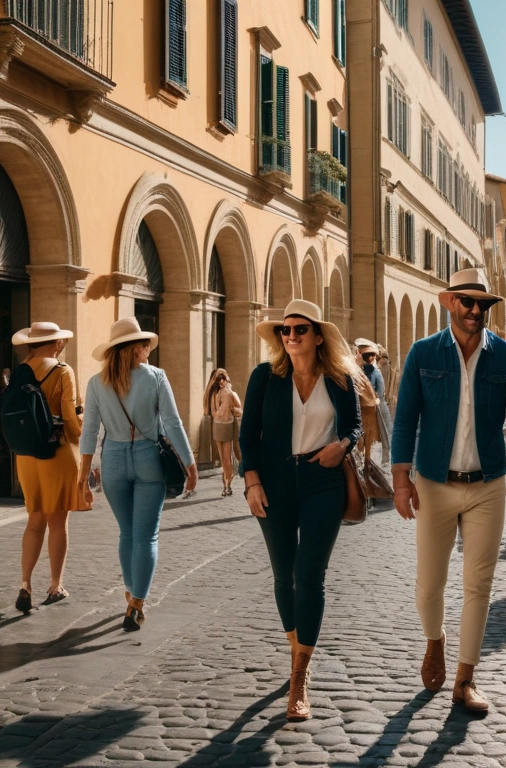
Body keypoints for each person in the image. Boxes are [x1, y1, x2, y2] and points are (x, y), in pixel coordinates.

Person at [392, 268, 506, 713]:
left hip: (488, 485)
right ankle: (434, 641)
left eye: (484, 304)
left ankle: (465, 679)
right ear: (448, 301)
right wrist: (400, 480)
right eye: (467, 302)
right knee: (429, 584)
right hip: (433, 482)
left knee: (480, 584)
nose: (476, 311)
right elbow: (404, 421)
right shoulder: (422, 353)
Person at [240, 300, 361, 721]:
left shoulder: (340, 378)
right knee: (283, 575)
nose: (290, 336)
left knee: (309, 576)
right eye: (284, 331)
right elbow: (248, 435)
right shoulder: (265, 377)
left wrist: (342, 445)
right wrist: (251, 481)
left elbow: (354, 427)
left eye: (299, 330)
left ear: (317, 336)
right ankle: (298, 649)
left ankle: (298, 676)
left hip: (322, 481)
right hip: (272, 483)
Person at [79, 318, 197, 631]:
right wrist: (189, 463)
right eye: (144, 345)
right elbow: (173, 423)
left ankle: (131, 593)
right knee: (146, 535)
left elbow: (89, 432)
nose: (148, 350)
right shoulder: (156, 377)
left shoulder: (96, 383)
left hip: (114, 460)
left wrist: (82, 476)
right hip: (148, 458)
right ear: (133, 350)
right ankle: (136, 603)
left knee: (127, 534)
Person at [11, 322, 82, 613]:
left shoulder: (21, 371)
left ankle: (25, 584)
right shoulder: (62, 370)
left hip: (26, 456)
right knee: (58, 521)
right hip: (58, 451)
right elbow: (69, 414)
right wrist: (80, 440)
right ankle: (55, 585)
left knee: (34, 519)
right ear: (57, 343)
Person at [204, 369, 242, 497]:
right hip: (217, 426)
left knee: (227, 458)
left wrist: (230, 409)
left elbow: (239, 409)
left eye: (223, 379)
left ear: (227, 380)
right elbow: (212, 411)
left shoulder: (231, 393)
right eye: (219, 379)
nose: (221, 381)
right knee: (222, 458)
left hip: (227, 426)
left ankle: (228, 485)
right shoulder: (215, 394)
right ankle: (226, 484)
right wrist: (217, 413)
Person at [356, 338, 393, 466]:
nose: (371, 358)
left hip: (377, 403)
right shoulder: (362, 370)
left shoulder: (376, 372)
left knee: (384, 431)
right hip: (364, 405)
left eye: (373, 355)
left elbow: (380, 390)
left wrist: (375, 399)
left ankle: (386, 459)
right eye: (368, 355)